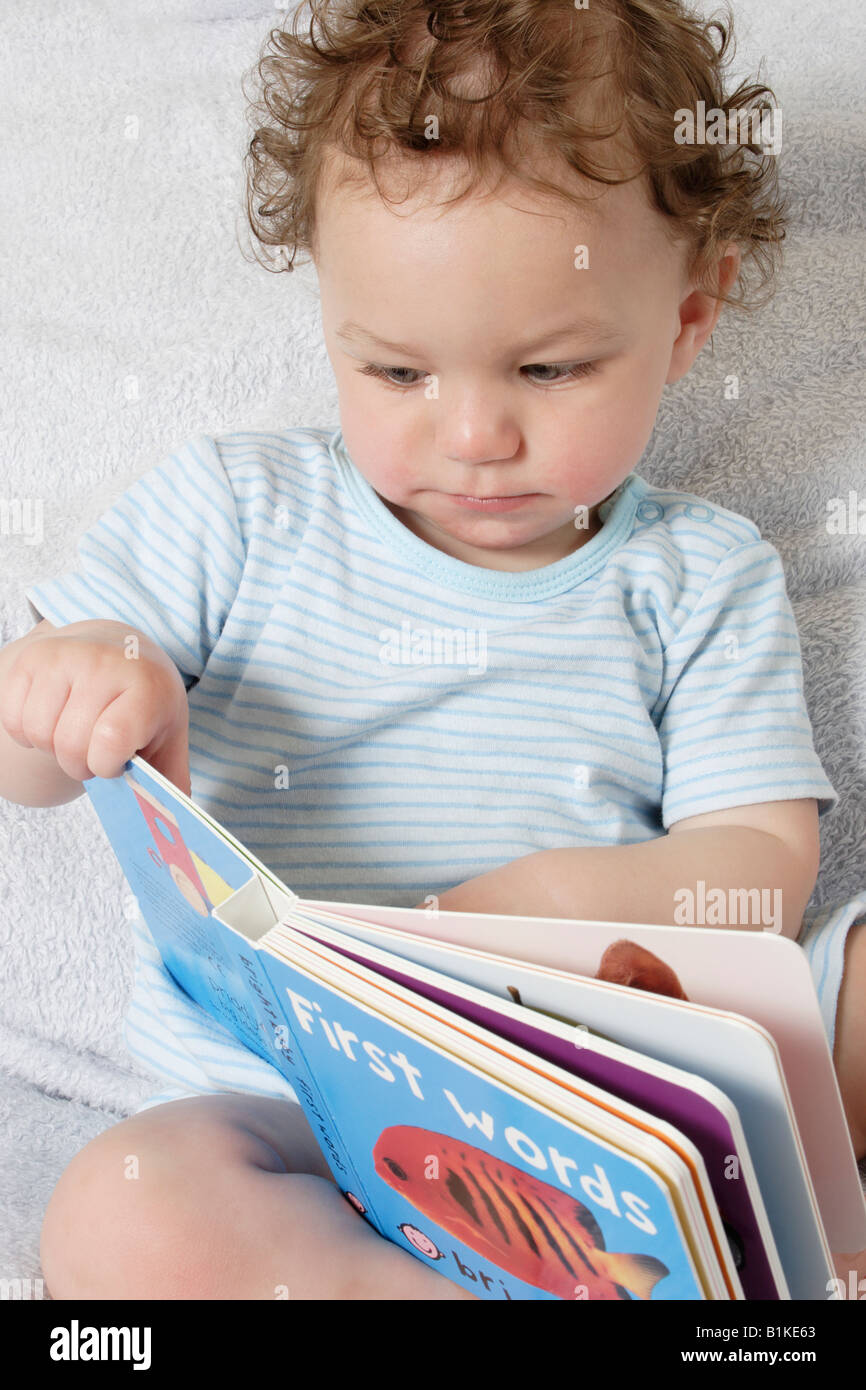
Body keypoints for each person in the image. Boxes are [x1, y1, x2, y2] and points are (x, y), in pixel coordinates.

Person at [2, 0, 863, 1299]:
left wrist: (570, 905)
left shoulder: (700, 572)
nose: (472, 434)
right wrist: (67, 694)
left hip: (624, 1081)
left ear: (688, 320)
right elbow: (34, 757)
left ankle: (763, 1244)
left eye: (550, 369)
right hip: (300, 1111)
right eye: (397, 372)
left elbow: (757, 875)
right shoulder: (236, 511)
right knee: (120, 1214)